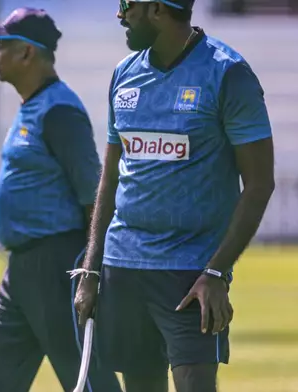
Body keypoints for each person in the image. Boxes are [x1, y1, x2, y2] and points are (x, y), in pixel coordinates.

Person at [74, 1, 275, 392]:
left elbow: (260, 182)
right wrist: (92, 269)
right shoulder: (124, 74)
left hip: (190, 276)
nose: (120, 15)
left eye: (126, 5)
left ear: (155, 9)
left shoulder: (228, 73)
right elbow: (110, 178)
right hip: (124, 269)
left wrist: (216, 271)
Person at [0, 8, 122, 392]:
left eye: (2, 46)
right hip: (22, 268)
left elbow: (95, 195)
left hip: (57, 264)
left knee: (86, 378)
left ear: (27, 52)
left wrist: (91, 270)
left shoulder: (60, 110)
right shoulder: (34, 106)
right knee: (1, 382)